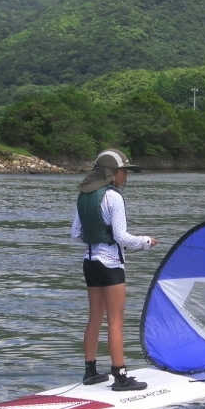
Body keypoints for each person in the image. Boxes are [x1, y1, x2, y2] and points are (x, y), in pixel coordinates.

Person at [71, 149, 158, 391]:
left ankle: (90, 371)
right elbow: (121, 236)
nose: (126, 177)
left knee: (95, 318)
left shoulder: (83, 195)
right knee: (116, 321)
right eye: (123, 172)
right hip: (110, 264)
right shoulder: (113, 197)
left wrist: (97, 241)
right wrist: (145, 242)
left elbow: (76, 234)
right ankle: (120, 376)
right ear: (112, 174)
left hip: (89, 262)